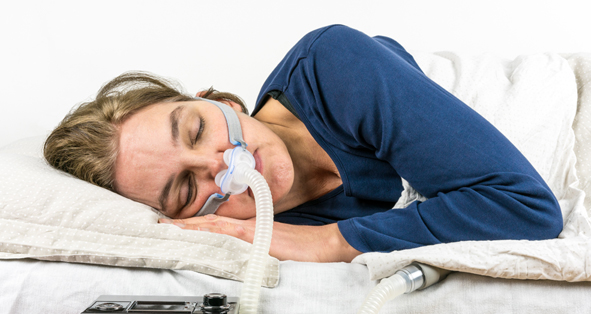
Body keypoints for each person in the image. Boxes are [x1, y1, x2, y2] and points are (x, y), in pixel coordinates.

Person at [44, 24, 563, 263]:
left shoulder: (333, 66)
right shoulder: (252, 232)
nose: (224, 162)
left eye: (198, 128)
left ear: (222, 99)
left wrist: (330, 241)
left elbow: (527, 210)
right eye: (185, 188)